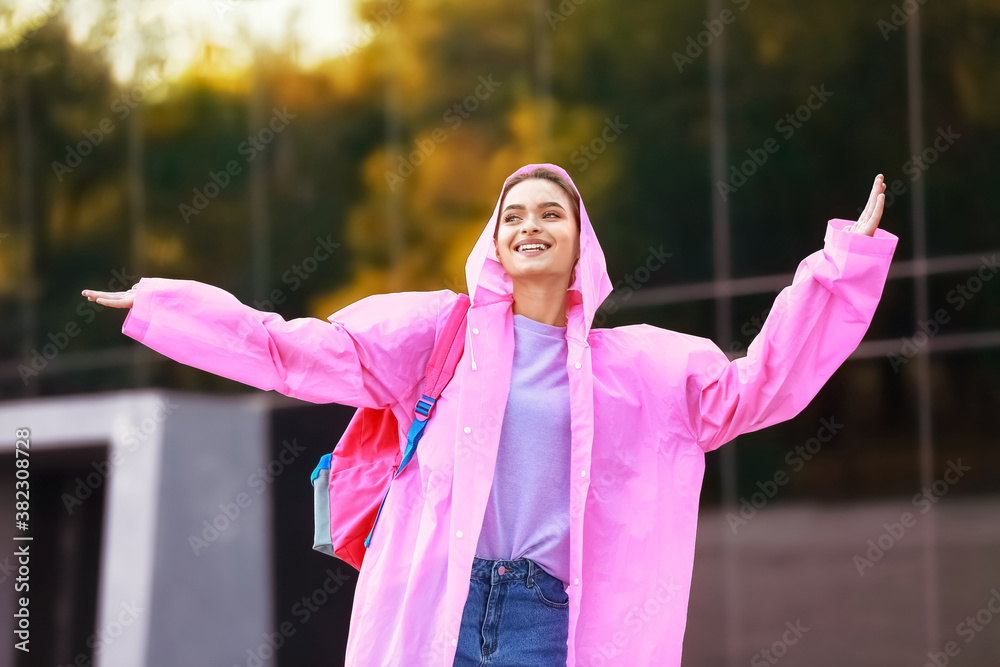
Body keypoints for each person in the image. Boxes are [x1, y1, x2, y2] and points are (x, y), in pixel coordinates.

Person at [82, 163, 896, 666]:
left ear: (582, 243)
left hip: (549, 619)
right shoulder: (436, 336)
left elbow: (762, 386)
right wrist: (160, 305)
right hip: (435, 600)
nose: (530, 224)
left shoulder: (642, 368)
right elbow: (288, 350)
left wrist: (839, 268)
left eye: (550, 212)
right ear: (492, 241)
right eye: (513, 214)